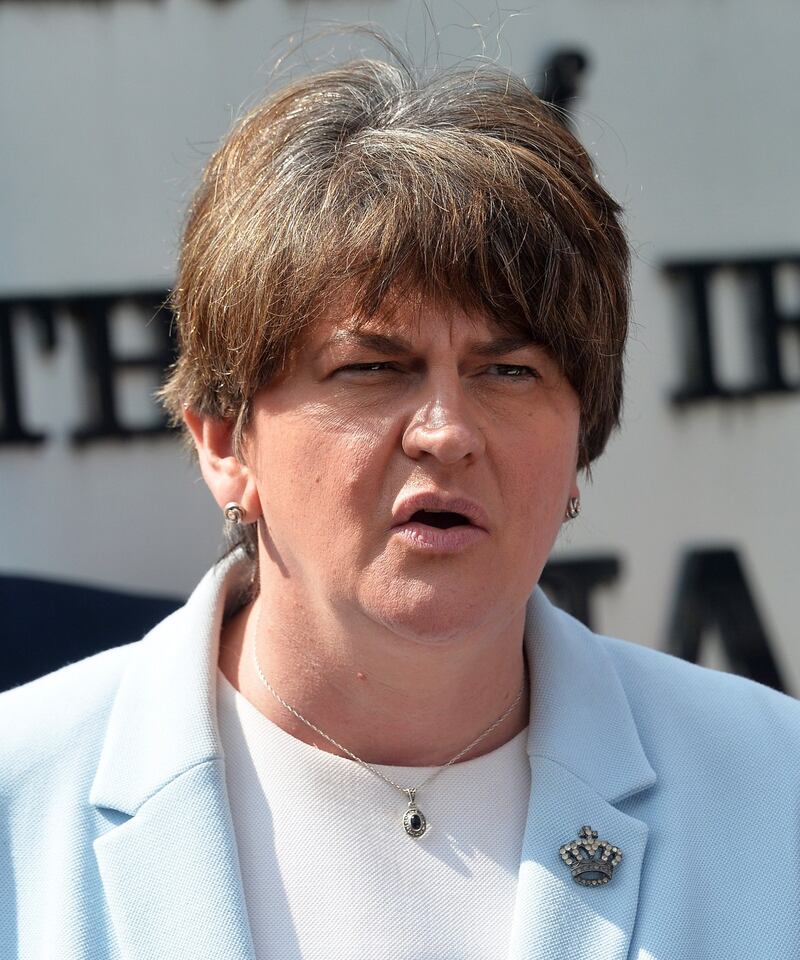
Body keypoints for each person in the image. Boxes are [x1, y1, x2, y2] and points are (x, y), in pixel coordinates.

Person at [1, 56, 798, 960]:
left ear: (581, 443)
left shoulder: (775, 790)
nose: (446, 433)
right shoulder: (20, 804)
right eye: (372, 368)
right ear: (226, 443)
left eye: (509, 371)